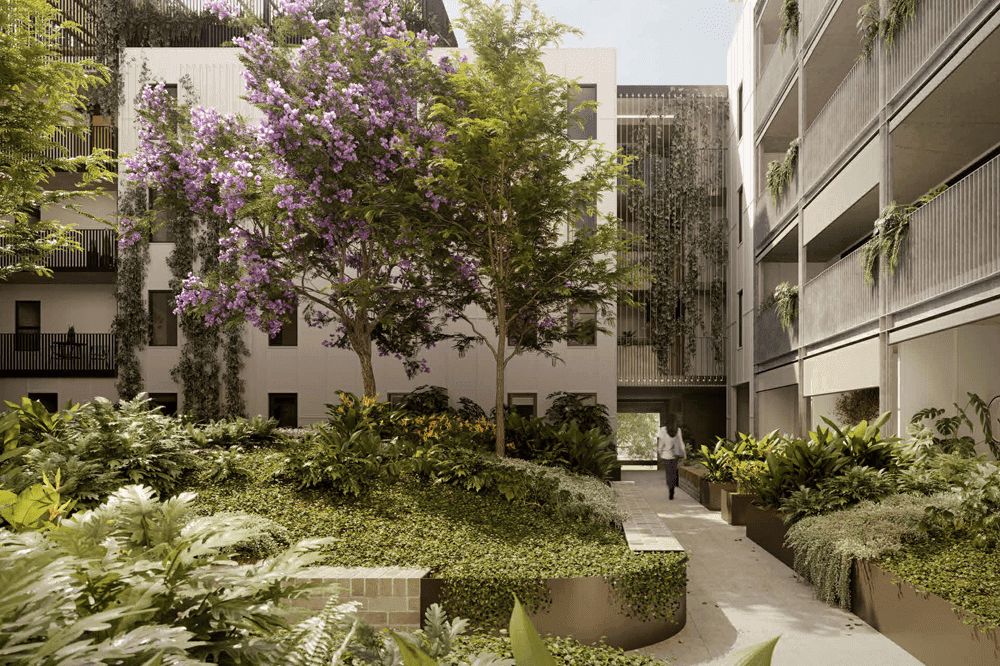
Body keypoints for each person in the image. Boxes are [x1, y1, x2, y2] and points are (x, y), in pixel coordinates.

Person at [657, 423, 687, 500]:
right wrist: (684, 453)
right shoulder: (678, 430)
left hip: (666, 455)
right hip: (675, 454)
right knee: (673, 473)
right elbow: (680, 442)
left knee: (668, 473)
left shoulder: (663, 430)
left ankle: (670, 488)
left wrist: (660, 452)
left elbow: (661, 443)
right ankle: (672, 489)